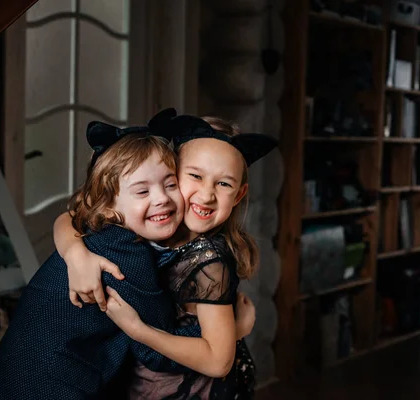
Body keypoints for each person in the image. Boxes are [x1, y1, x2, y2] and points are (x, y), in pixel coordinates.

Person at [0, 109, 225, 400]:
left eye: (170, 184)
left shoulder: (96, 230)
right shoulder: (127, 257)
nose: (161, 198)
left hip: (11, 374)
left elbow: (68, 217)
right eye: (142, 192)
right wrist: (223, 334)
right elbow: (155, 350)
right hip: (51, 387)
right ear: (109, 207)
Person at [54, 113, 277, 399]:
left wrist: (138, 330)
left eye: (223, 184)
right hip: (140, 377)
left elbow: (218, 361)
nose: (207, 195)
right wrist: (75, 254)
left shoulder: (207, 261)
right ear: (169, 175)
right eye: (195, 176)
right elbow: (71, 216)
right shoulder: (153, 218)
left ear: (238, 194)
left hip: (190, 389)